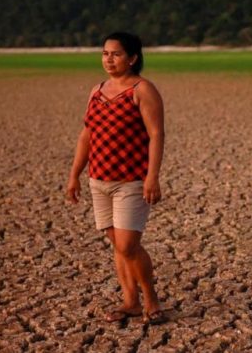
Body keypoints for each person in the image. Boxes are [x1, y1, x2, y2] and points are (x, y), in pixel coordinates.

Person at [65, 31, 168, 325]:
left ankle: (151, 300)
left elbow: (156, 134)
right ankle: (130, 301)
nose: (109, 59)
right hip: (99, 180)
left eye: (116, 54)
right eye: (105, 53)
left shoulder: (142, 89)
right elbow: (87, 134)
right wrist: (75, 175)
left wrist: (153, 177)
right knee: (117, 244)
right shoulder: (97, 90)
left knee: (127, 245)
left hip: (131, 180)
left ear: (133, 58)